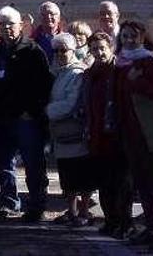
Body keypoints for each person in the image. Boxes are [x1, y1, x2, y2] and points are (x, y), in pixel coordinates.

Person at [0, 6, 53, 222]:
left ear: (20, 26)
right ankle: (9, 203)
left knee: (33, 164)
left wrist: (31, 111)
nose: (7, 29)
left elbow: (44, 85)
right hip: (2, 118)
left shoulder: (33, 51)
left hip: (27, 118)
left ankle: (36, 205)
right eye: (3, 25)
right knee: (4, 164)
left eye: (11, 24)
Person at [113, 21, 153, 249]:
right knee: (141, 181)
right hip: (129, 132)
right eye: (125, 36)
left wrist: (138, 82)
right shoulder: (120, 62)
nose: (128, 40)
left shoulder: (150, 61)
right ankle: (151, 225)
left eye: (133, 36)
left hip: (148, 131)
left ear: (142, 37)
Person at [83, 32, 133, 239]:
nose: (99, 52)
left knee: (122, 182)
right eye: (94, 49)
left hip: (118, 134)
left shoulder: (121, 69)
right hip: (97, 134)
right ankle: (110, 220)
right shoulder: (91, 73)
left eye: (102, 48)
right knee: (104, 182)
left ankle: (125, 222)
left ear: (111, 47)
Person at [46, 33, 92, 227]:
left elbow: (70, 103)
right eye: (56, 51)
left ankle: (83, 211)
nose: (60, 54)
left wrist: (47, 111)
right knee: (66, 174)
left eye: (63, 50)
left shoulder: (76, 73)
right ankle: (71, 210)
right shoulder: (59, 71)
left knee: (81, 173)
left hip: (75, 130)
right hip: (62, 132)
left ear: (72, 51)